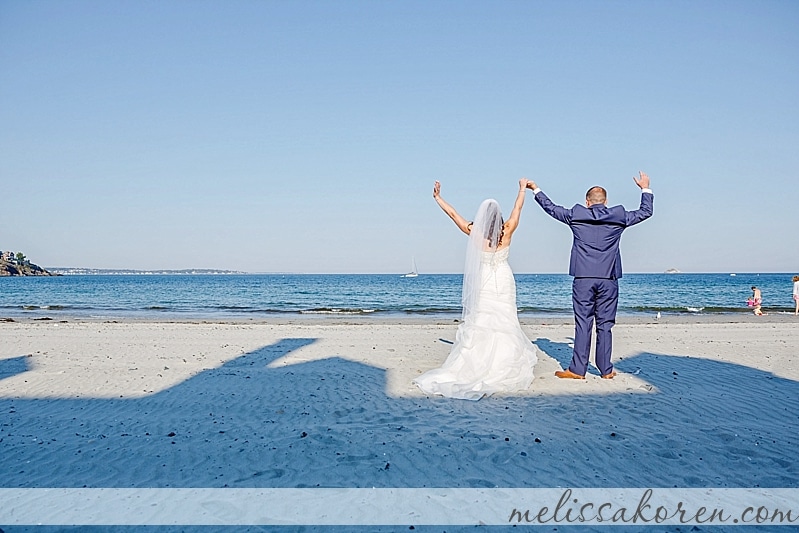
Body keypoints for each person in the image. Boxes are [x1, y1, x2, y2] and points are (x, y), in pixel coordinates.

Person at [413, 179, 538, 400]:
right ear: (498, 217)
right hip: (503, 277)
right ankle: (504, 363)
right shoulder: (507, 230)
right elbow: (518, 208)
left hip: (485, 281)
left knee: (483, 319)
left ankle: (477, 362)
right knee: (505, 319)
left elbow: (453, 215)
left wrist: (438, 198)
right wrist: (521, 189)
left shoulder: (474, 232)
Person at [526, 172, 654, 380]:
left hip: (584, 278)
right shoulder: (619, 216)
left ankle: (578, 370)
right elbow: (645, 212)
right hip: (608, 278)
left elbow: (551, 208)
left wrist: (535, 189)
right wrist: (645, 187)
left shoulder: (576, 215)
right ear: (606, 202)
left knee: (583, 322)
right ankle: (606, 370)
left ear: (587, 202)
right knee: (605, 325)